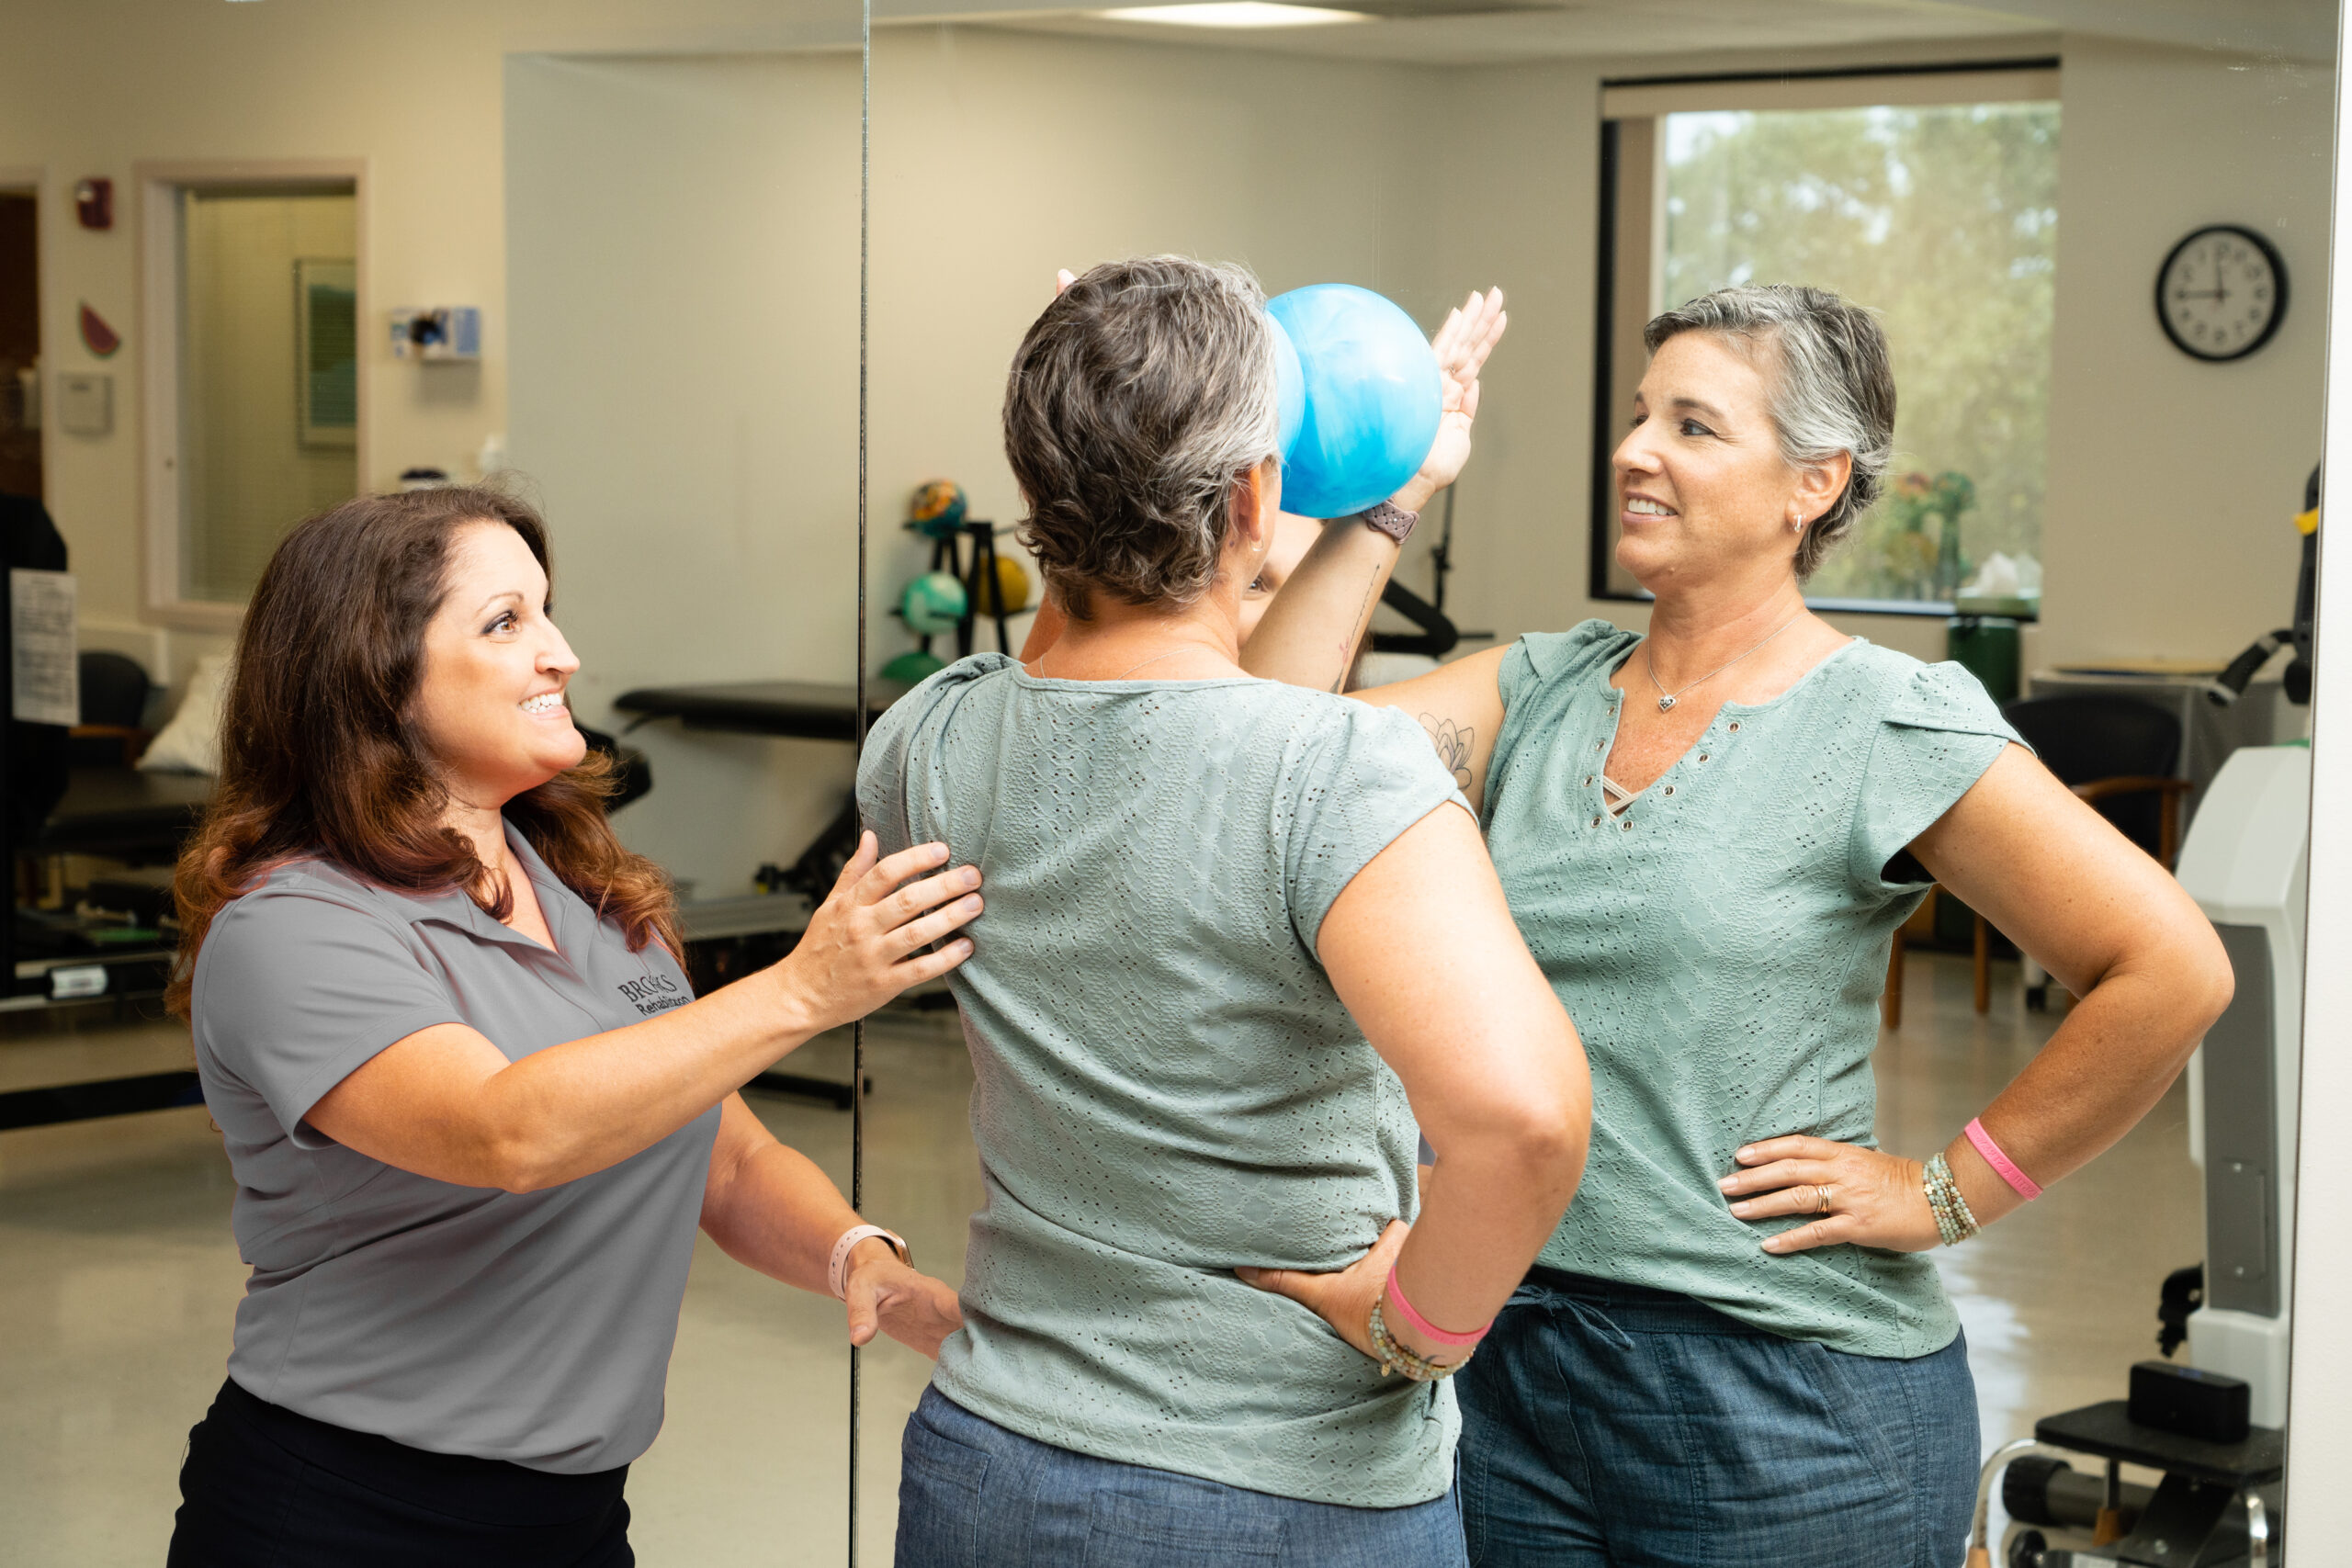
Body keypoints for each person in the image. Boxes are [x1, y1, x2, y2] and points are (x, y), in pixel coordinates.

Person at [1238, 283, 2235, 1566]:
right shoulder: (1540, 689)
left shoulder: (1887, 718)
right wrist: (1392, 495)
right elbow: (1266, 738)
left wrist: (1946, 1188)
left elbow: (2171, 968)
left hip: (1784, 1391)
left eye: (1694, 426)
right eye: (1641, 415)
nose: (1635, 449)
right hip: (1507, 1357)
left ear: (1811, 484)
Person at [863, 255, 1588, 1567]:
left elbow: (1189, 732)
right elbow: (1527, 1122)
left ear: (1036, 488)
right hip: (1280, 1483)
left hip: (992, 1458)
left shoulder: (926, 738)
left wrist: (1382, 504)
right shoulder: (1344, 773)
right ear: (1259, 495)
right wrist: (1420, 1329)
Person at [165, 486, 979, 1567]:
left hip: (573, 1518)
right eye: (505, 622)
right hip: (347, 1511)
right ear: (376, 674)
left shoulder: (592, 899)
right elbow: (509, 1135)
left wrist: (853, 1256)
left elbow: (723, 1158)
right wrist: (804, 989)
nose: (562, 655)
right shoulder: (294, 927)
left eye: (546, 613)